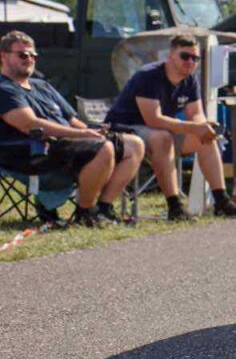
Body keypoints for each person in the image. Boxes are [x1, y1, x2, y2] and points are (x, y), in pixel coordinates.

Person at [0, 30, 144, 227]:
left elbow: (72, 120)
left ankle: (103, 209)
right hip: (32, 153)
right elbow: (29, 124)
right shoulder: (4, 89)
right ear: (4, 56)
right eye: (23, 55)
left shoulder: (42, 85)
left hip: (67, 146)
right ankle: (85, 213)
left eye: (33, 55)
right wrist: (83, 135)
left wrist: (94, 132)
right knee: (103, 148)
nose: (30, 59)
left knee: (134, 145)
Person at [105, 34, 236, 220]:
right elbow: (153, 120)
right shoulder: (148, 76)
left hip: (155, 133)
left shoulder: (190, 80)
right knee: (163, 138)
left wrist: (203, 126)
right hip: (124, 129)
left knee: (205, 139)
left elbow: (196, 113)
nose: (190, 62)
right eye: (185, 56)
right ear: (170, 55)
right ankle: (175, 207)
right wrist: (194, 127)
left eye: (195, 58)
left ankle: (221, 201)